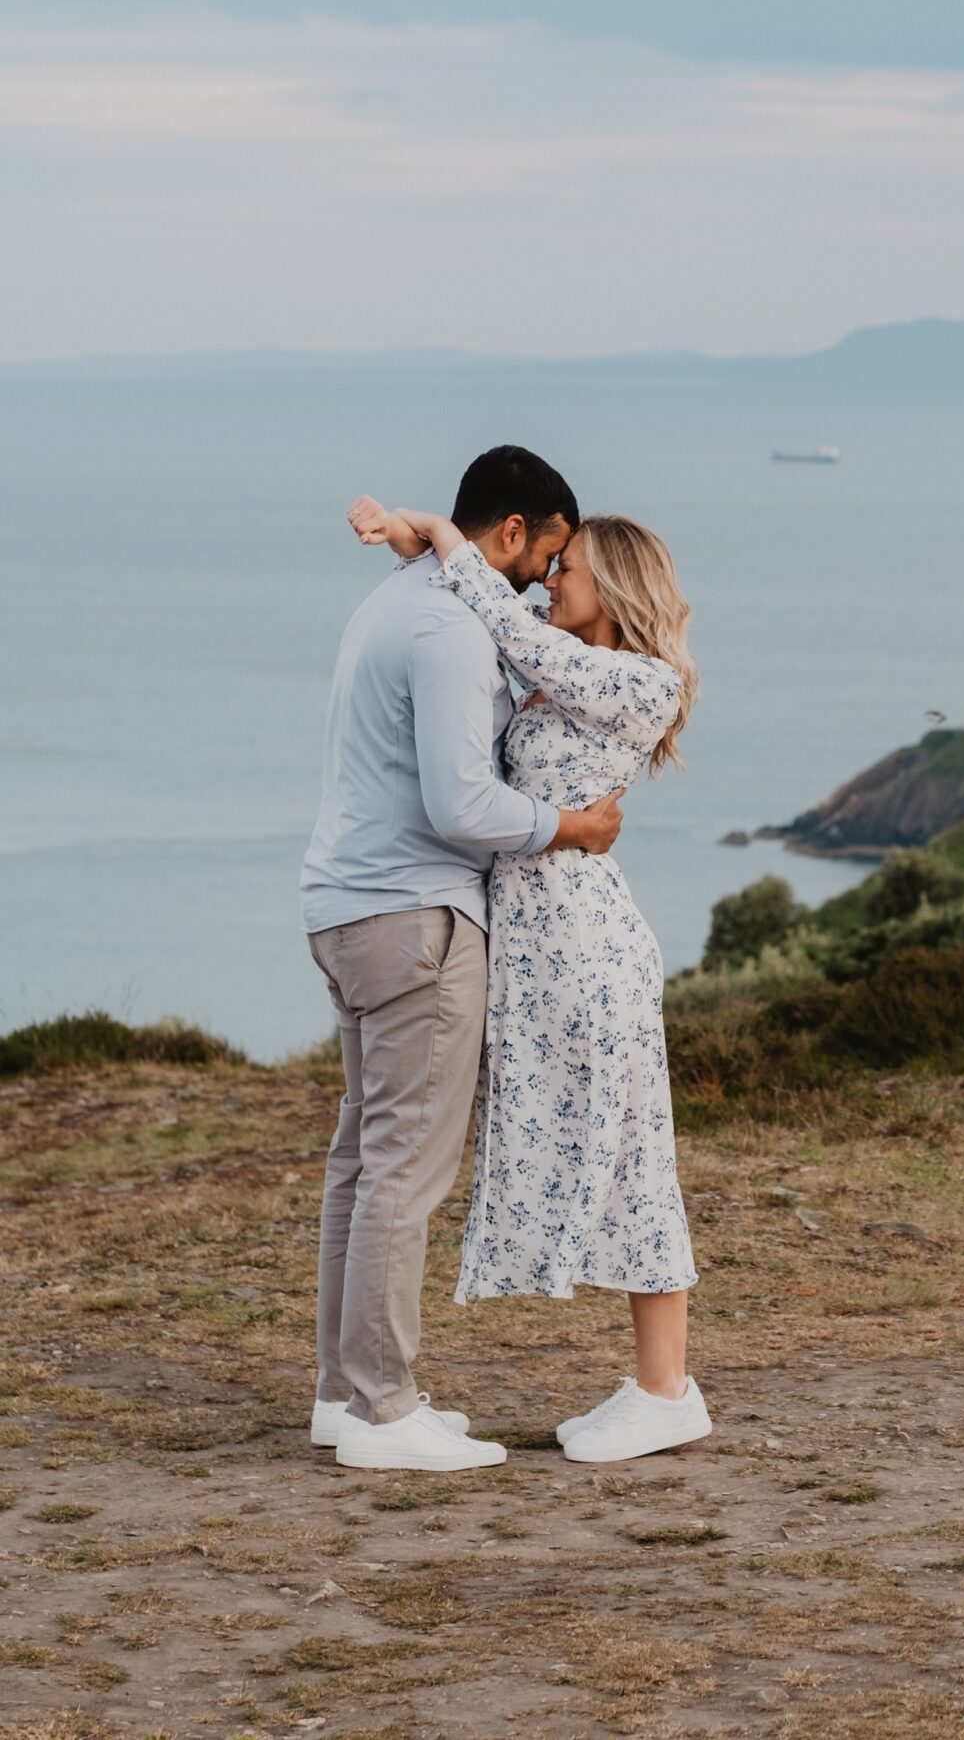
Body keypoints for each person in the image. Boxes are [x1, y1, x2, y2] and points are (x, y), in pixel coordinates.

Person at [347, 492, 711, 1464]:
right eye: (552, 566)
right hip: (534, 949)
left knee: (636, 1155)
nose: (550, 579)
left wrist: (452, 540)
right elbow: (479, 655)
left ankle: (666, 1389)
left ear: (617, 590)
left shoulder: (639, 682)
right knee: (570, 1148)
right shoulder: (561, 678)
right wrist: (416, 548)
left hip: (587, 952)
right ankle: (655, 1385)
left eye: (569, 570)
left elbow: (509, 628)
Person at [301, 446, 625, 1475]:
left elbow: (487, 608)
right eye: (549, 556)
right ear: (516, 531)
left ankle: (342, 1394)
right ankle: (384, 1411)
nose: (544, 582)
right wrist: (568, 826)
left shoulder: (402, 600)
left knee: (360, 1161)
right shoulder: (448, 631)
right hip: (417, 920)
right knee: (405, 1168)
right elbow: (460, 804)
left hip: (346, 906)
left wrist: (430, 535)